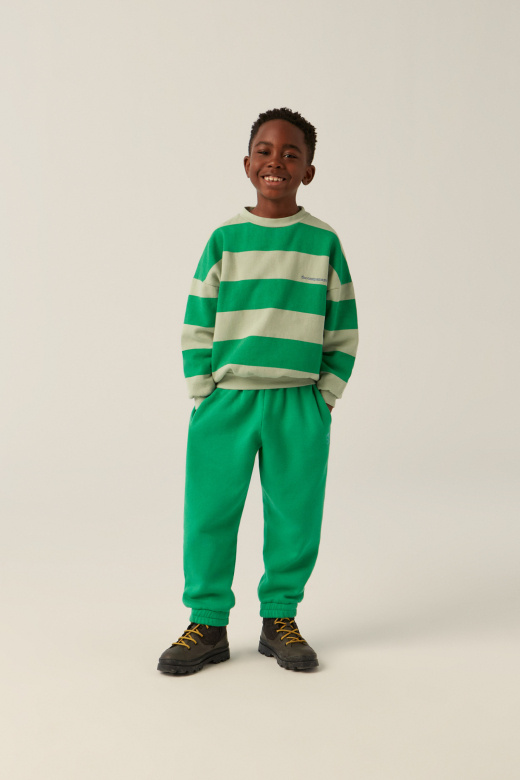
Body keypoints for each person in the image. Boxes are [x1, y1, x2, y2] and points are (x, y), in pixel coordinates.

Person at [157, 107, 359, 675]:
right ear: (247, 164)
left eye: (292, 154)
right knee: (209, 512)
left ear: (308, 171)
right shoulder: (226, 238)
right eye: (265, 152)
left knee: (295, 514)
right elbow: (199, 316)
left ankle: (280, 618)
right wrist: (204, 390)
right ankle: (207, 622)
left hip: (298, 402)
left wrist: (325, 396)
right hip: (228, 401)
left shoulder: (322, 242)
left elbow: (343, 324)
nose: (277, 162)